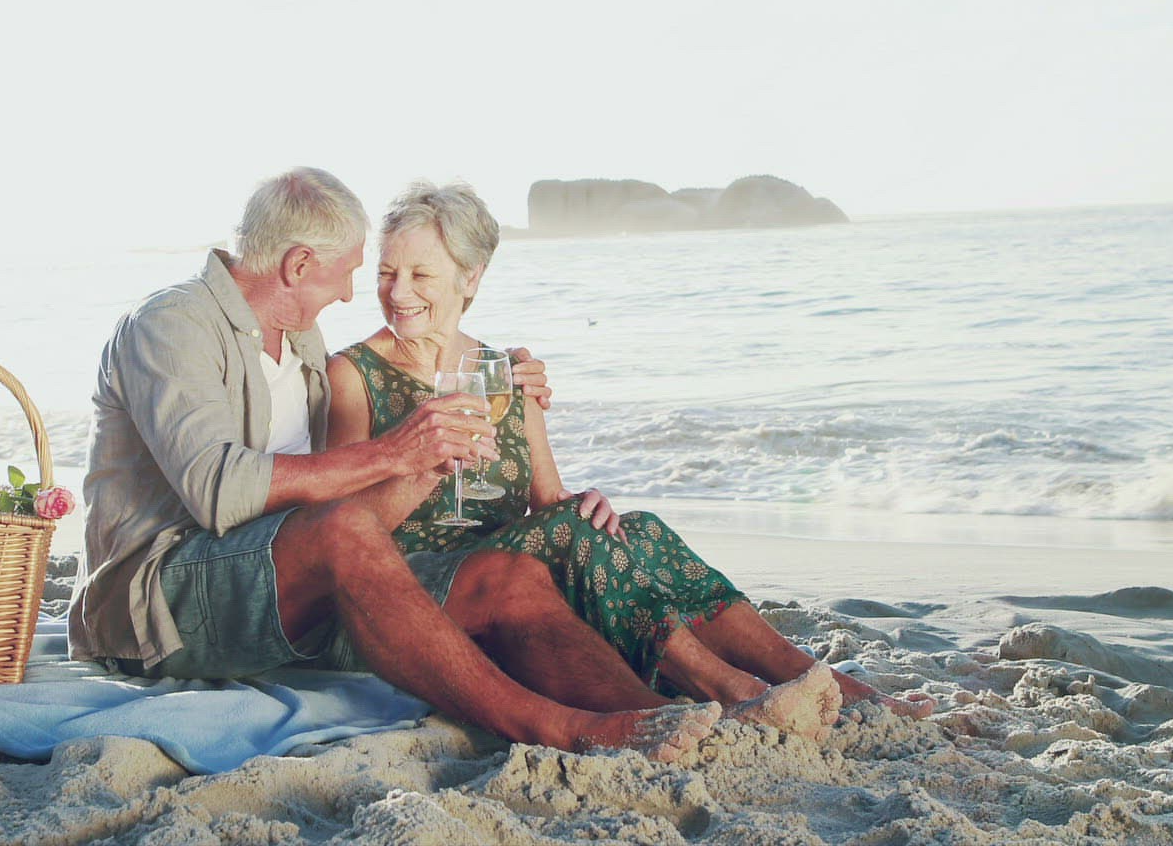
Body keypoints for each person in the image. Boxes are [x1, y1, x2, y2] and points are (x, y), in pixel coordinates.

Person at [67, 168, 775, 760]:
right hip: (161, 599)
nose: (354, 295)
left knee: (509, 578)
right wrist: (396, 452)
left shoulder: (298, 338)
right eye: (354, 274)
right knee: (344, 529)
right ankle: (551, 726)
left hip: (279, 581)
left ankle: (647, 714)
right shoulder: (172, 324)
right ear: (299, 266)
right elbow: (219, 490)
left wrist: (471, 422)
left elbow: (332, 475)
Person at [325, 180, 934, 727]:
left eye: (421, 275)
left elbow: (547, 501)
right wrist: (427, 460)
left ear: (471, 277)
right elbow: (344, 532)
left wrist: (586, 505)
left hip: (518, 569)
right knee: (577, 531)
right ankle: (725, 686)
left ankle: (828, 685)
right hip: (415, 582)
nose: (398, 293)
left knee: (638, 529)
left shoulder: (506, 374)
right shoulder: (355, 375)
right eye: (387, 272)